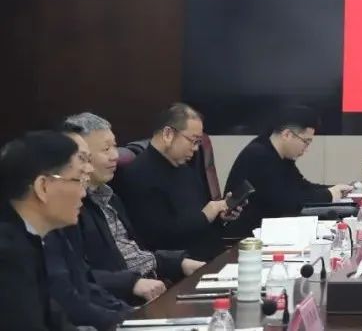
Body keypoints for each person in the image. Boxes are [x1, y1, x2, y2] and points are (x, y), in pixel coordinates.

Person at [62, 113, 205, 303]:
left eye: (114, 146)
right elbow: (79, 277)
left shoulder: (110, 197)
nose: (115, 155)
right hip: (121, 301)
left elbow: (137, 251)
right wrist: (131, 283)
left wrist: (178, 262)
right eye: (106, 149)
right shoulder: (69, 209)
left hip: (153, 287)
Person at [118, 103, 237, 260]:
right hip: (187, 265)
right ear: (168, 134)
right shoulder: (139, 175)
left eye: (198, 143)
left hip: (215, 256)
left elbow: (200, 220)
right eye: (193, 141)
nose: (196, 149)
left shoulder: (184, 168)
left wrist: (221, 215)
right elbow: (158, 237)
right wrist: (206, 215)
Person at [43, 126, 132, 330]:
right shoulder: (15, 245)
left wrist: (129, 317)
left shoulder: (56, 230)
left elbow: (82, 289)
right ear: (43, 185)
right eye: (82, 160)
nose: (89, 169)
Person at [0, 131, 88, 331]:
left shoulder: (28, 238)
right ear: (43, 187)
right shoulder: (7, 255)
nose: (83, 193)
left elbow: (54, 319)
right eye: (78, 180)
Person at [224, 106, 352, 237]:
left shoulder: (278, 153)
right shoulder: (259, 155)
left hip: (268, 228)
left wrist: (334, 189)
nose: (306, 148)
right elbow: (288, 202)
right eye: (306, 142)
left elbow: (301, 186)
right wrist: (329, 195)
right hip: (245, 237)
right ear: (287, 135)